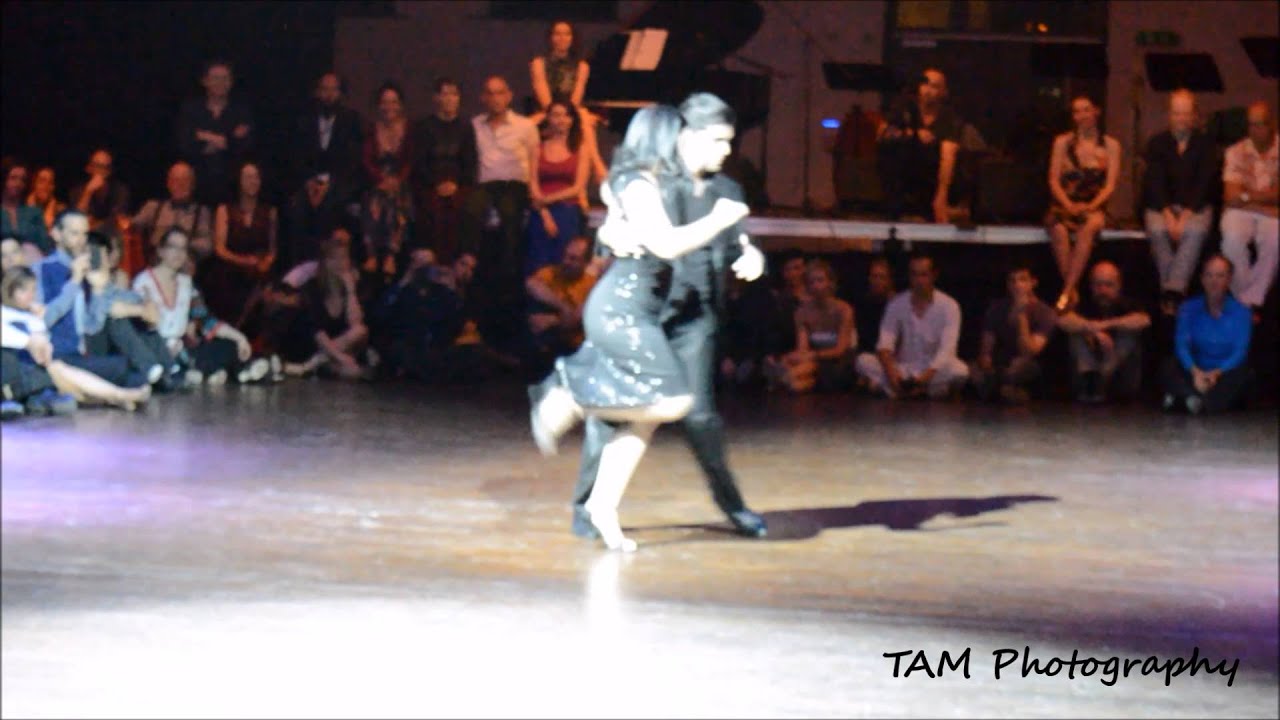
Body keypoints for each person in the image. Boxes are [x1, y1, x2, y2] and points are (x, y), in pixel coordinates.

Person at [527, 103, 754, 551]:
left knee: (645, 416)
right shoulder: (637, 182)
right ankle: (570, 396)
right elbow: (665, 243)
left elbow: (616, 228)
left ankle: (603, 507)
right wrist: (717, 220)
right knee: (668, 402)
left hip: (650, 308)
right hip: (624, 309)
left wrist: (742, 245)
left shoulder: (654, 182)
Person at [1143, 90, 1218, 316]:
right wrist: (1167, 214)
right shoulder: (1157, 143)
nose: (1181, 119)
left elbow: (1204, 184)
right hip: (1160, 205)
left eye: (1186, 114)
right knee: (1157, 230)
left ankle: (1171, 291)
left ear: (1194, 115)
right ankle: (1175, 291)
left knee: (1194, 231)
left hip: (1195, 206)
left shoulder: (1206, 144)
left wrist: (1184, 217)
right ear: (1169, 115)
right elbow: (1154, 182)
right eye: (1177, 113)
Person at [1045, 95, 1121, 312]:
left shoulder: (1110, 145)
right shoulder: (1062, 142)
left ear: (1096, 111)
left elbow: (1110, 185)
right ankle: (1072, 291)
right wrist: (1068, 205)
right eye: (1077, 111)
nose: (1082, 116)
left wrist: (1091, 205)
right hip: (1065, 202)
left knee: (1088, 228)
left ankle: (1067, 291)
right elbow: (1053, 179)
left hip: (1094, 204)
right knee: (1058, 229)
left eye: (1086, 110)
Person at [1162, 255, 1253, 414]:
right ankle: (1194, 399)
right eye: (1209, 275)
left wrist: (1217, 373)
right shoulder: (1188, 308)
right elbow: (1181, 344)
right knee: (1169, 366)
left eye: (1220, 275)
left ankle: (1191, 400)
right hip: (1196, 370)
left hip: (1225, 372)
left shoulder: (1242, 312)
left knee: (1244, 374)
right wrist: (1195, 371)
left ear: (1229, 279)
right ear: (1202, 279)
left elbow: (1240, 351)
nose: (1214, 281)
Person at [1219, 101, 1278, 320]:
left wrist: (1246, 195)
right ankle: (1248, 301)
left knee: (1275, 240)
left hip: (1268, 215)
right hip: (1251, 211)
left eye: (1260, 124)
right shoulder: (1236, 151)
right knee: (1231, 240)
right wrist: (1264, 199)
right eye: (1251, 125)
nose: (1255, 130)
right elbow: (1230, 196)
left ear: (1272, 124)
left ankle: (1249, 301)